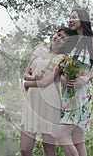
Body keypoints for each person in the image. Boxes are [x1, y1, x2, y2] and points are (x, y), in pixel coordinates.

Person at [55, 8, 93, 156]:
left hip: (82, 93)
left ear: (83, 20)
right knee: (77, 138)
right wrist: (63, 78)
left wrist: (87, 77)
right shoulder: (70, 42)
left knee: (60, 134)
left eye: (74, 17)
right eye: (69, 17)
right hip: (67, 93)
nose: (70, 20)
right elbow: (60, 67)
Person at [20, 27, 76, 156]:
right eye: (58, 34)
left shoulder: (61, 58)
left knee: (49, 148)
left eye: (63, 38)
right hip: (31, 101)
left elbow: (46, 82)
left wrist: (28, 84)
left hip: (49, 103)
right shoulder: (39, 51)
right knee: (25, 150)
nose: (58, 38)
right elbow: (26, 74)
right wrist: (33, 78)